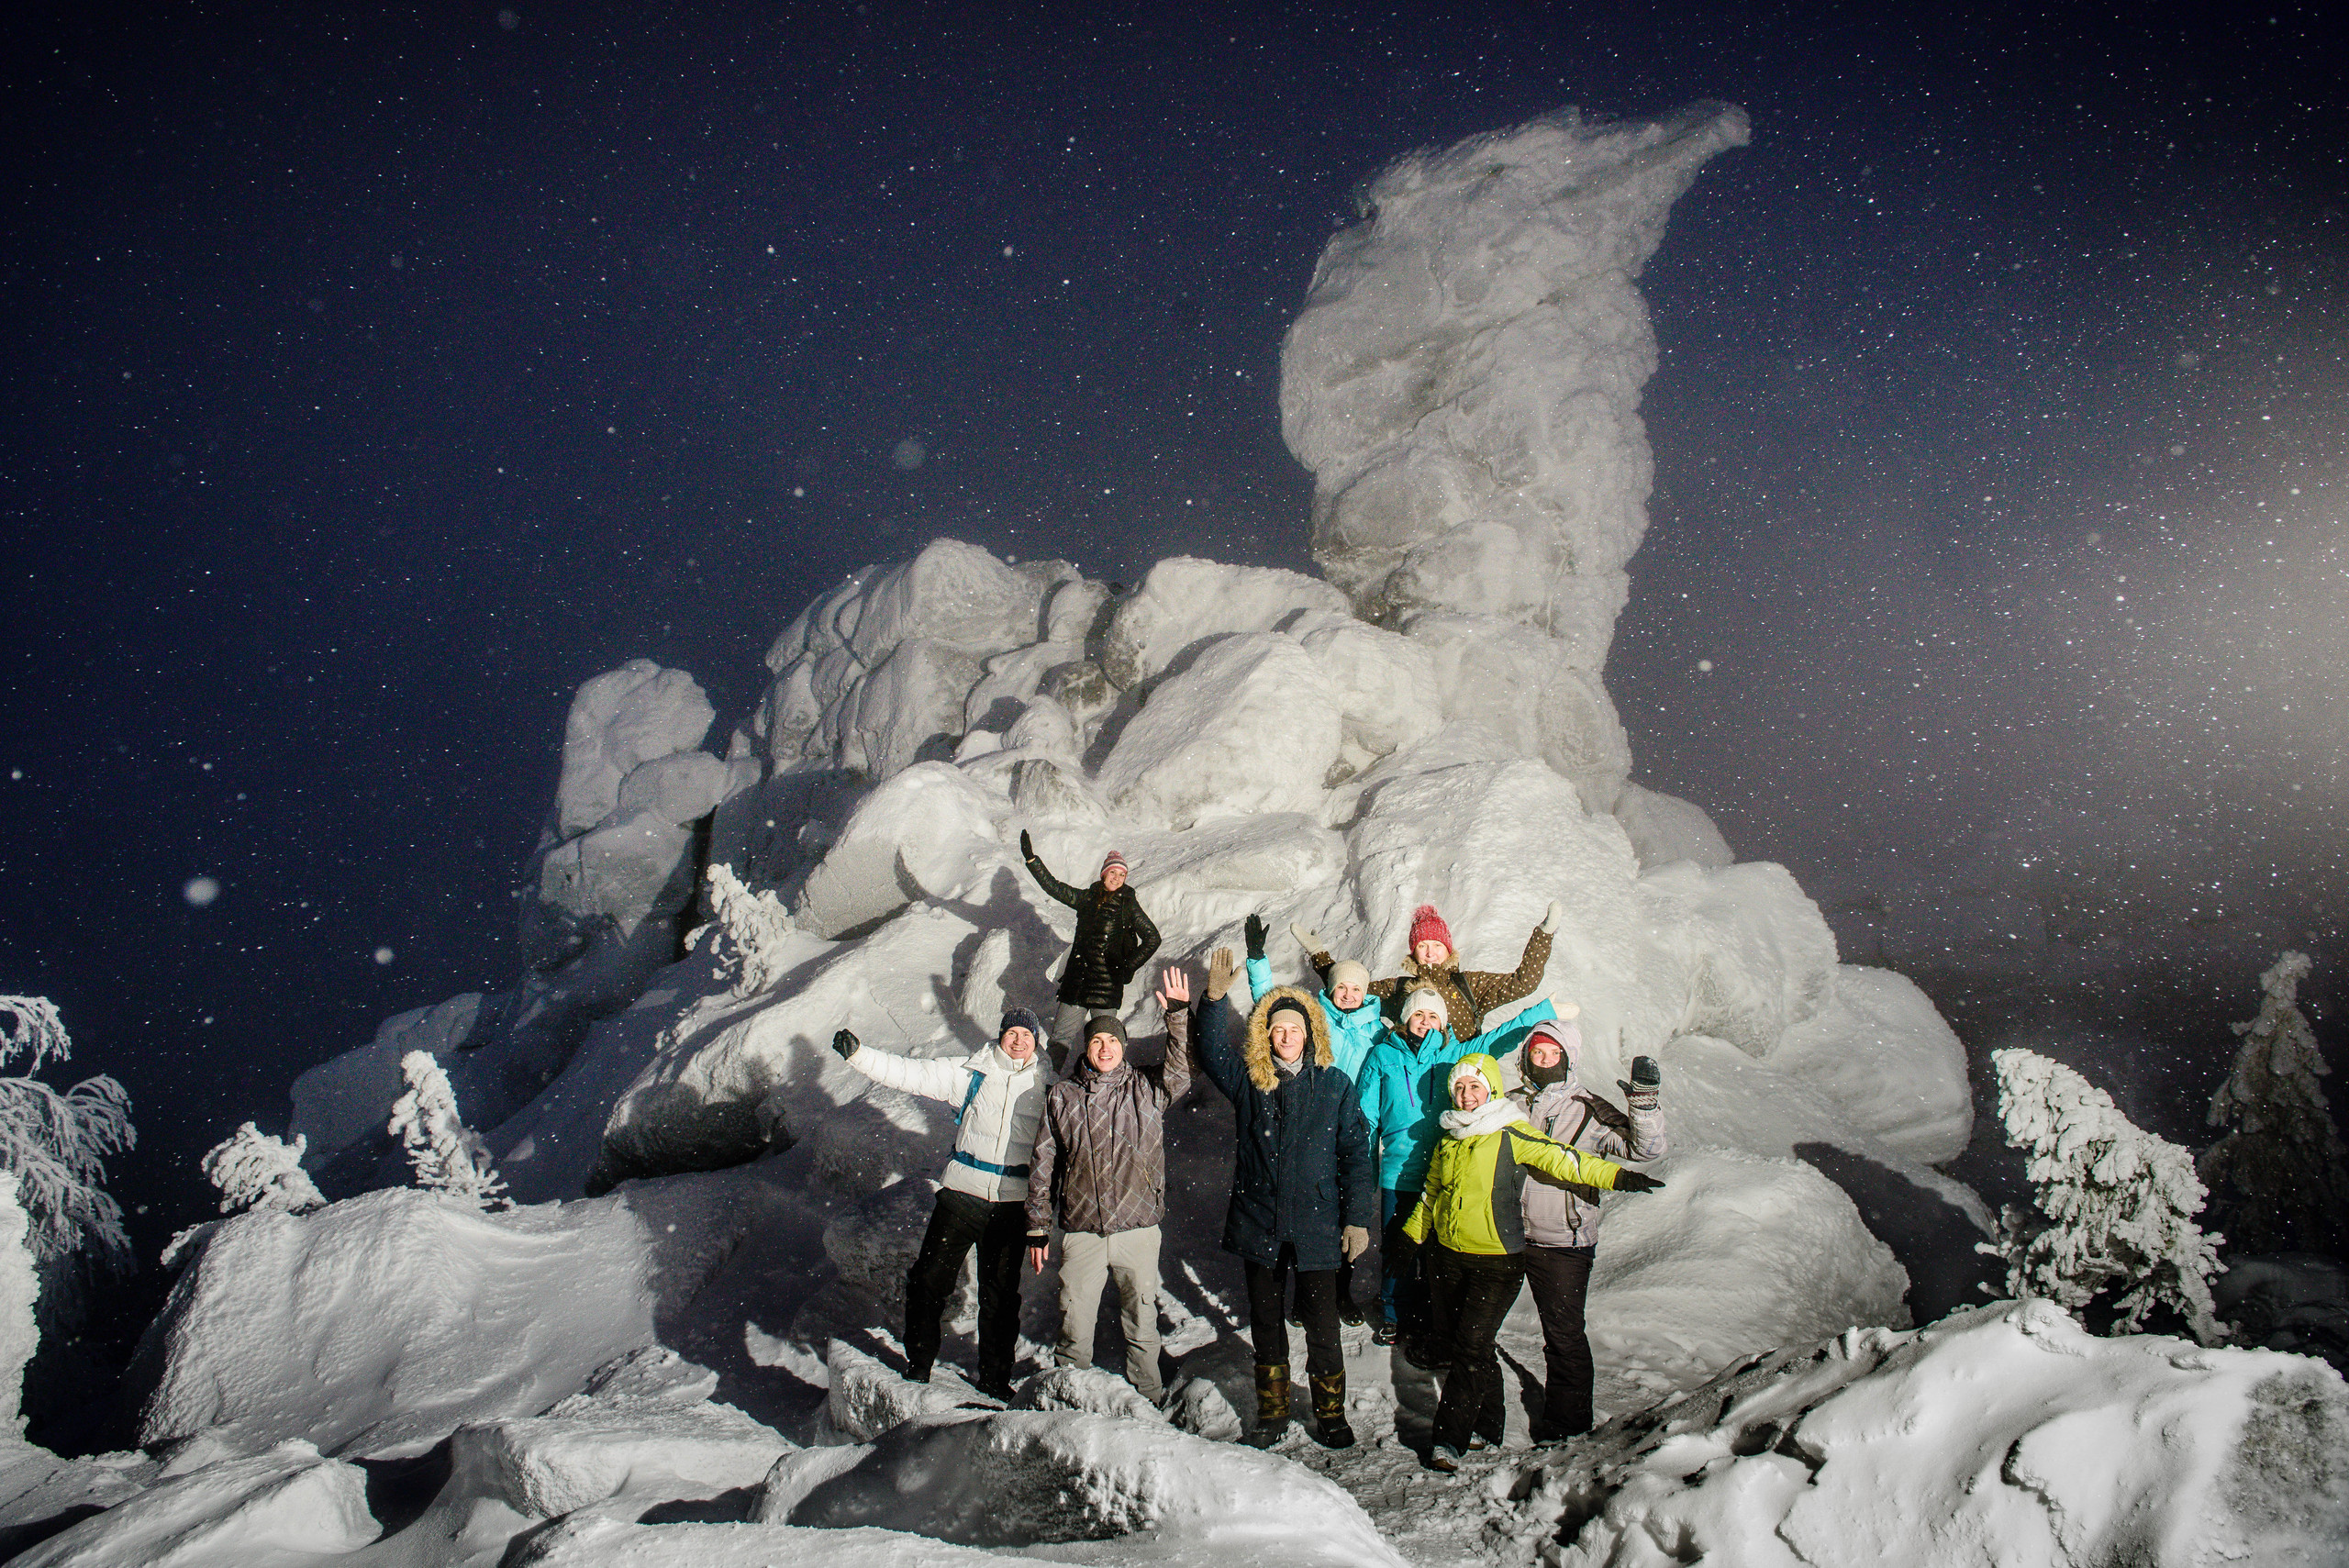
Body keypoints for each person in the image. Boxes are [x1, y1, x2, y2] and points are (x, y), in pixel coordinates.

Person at [1404, 1053, 1663, 1473]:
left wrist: (1618, 1177)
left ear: (1491, 1090)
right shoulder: (1449, 1136)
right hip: (1450, 1255)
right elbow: (1433, 1191)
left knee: (1472, 1346)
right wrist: (1411, 1237)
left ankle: (1448, 1439)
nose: (1467, 1096)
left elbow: (1563, 1157)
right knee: (1469, 1344)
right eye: (1460, 1088)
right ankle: (1485, 1425)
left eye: (1475, 1087)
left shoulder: (1510, 1132)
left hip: (1496, 1260)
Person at [1197, 947, 1377, 1448]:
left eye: (1295, 1029)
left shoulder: (1336, 1087)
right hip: (1260, 1225)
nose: (1286, 1037)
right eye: (1278, 1029)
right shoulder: (1251, 1082)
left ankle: (1331, 1413)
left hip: (1319, 1228)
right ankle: (1273, 1413)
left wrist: (1356, 1220)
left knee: (1323, 1327)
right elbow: (1211, 1052)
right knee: (1267, 1323)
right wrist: (1213, 1000)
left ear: (1310, 1035)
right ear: (1267, 1034)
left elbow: (1356, 1160)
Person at [832, 1008, 1052, 1399]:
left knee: (1000, 1297)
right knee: (928, 1280)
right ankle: (918, 1365)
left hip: (1011, 1204)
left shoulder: (1045, 1083)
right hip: (961, 1197)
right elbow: (911, 1074)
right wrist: (859, 1056)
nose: (1018, 1041)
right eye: (1012, 1033)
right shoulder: (971, 1072)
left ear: (1037, 1041)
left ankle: (996, 1381)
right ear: (1000, 1036)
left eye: (1026, 1035)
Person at [1022, 969, 1193, 1402]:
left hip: (1138, 1228)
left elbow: (1179, 1072)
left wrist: (1176, 1015)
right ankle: (1068, 1402)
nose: (1105, 1048)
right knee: (1074, 1321)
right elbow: (1043, 1163)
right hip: (1083, 1230)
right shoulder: (1062, 1096)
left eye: (1113, 1041)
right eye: (1097, 1040)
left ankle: (1150, 1398)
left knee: (1142, 1321)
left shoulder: (1148, 1088)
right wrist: (1038, 1225)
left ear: (1124, 1047)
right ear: (1087, 1047)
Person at [1354, 986, 1558, 1348]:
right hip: (1397, 1172)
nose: (1425, 1022)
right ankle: (1392, 1312)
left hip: (1444, 1170)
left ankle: (1428, 1316)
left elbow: (1498, 1038)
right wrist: (1365, 1172)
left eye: (1434, 1016)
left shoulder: (1453, 1054)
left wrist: (1544, 1010)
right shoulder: (1383, 1055)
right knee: (1398, 1247)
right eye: (1419, 1015)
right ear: (1406, 1019)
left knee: (1434, 1253)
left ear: (1443, 1022)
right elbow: (1367, 1116)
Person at [1498, 1017, 1667, 1440]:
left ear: (1568, 1058)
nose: (1543, 1060)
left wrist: (1643, 1104)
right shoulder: (1511, 1104)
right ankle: (1483, 1416)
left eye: (1553, 1053)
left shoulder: (1589, 1108)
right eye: (1536, 1052)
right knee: (1479, 1327)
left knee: (1564, 1335)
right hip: (1506, 1234)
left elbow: (1643, 1149)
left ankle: (1567, 1428)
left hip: (1563, 1239)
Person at [1240, 912, 1385, 1324]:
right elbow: (1269, 1001)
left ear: (1366, 993)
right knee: (1309, 1215)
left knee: (1348, 1215)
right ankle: (1306, 1297)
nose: (1349, 994)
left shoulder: (1380, 1030)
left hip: (1357, 1132)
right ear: (1332, 989)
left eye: (1356, 989)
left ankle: (1340, 1294)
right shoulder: (1313, 1019)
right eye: (1342, 987)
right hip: (1313, 1122)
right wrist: (1256, 960)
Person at [1297, 901, 1560, 1040]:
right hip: (1415, 1083)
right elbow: (1350, 989)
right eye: (1422, 945)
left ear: (1448, 949)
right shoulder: (1398, 989)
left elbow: (1523, 983)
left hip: (1462, 1080)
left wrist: (1543, 936)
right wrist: (1320, 956)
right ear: (1413, 951)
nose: (1431, 952)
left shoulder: (1469, 985)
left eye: (1437, 945)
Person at [1021, 830, 1162, 1060]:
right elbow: (1055, 888)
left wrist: (1126, 967)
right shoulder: (1087, 898)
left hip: (1106, 989)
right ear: (1103, 874)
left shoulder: (1128, 904)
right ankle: (1047, 1089)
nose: (1116, 878)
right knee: (1059, 1040)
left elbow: (1153, 938)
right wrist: (1032, 861)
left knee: (1107, 1046)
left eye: (1121, 875)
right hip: (1076, 986)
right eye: (1112, 873)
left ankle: (1105, 1091)